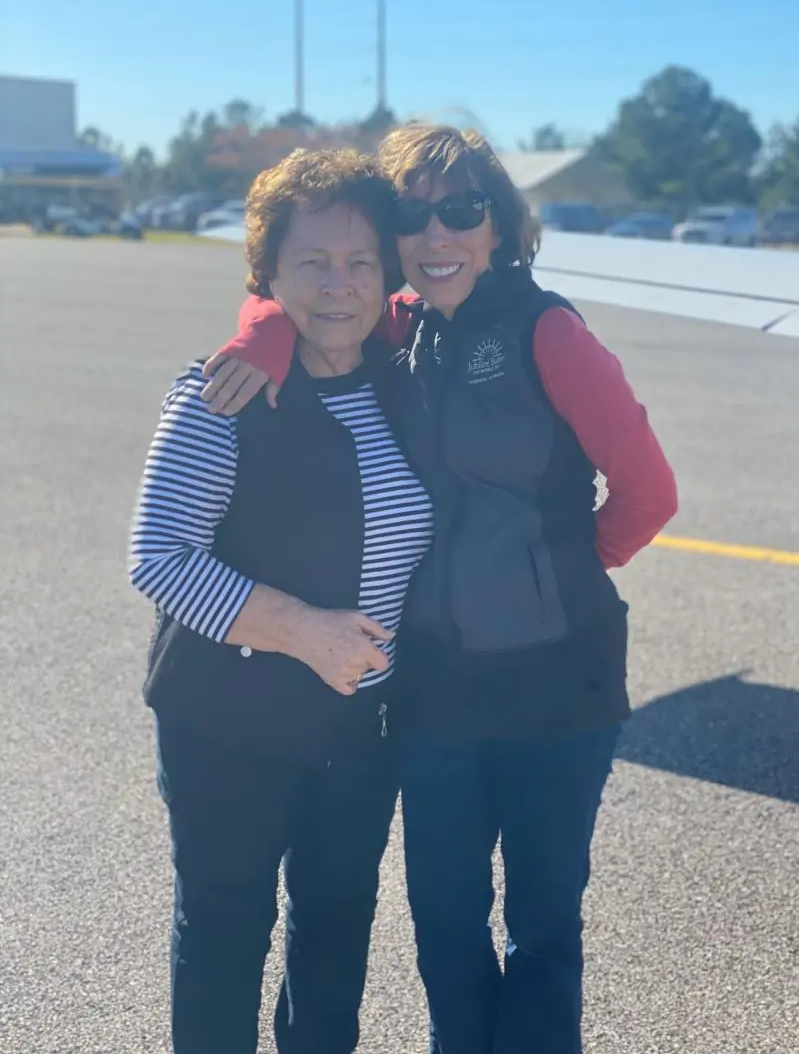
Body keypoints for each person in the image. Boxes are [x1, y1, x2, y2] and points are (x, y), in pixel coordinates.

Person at [200, 124, 678, 1054]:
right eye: (412, 216)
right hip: (437, 697)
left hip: (559, 691)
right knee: (445, 929)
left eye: (460, 210)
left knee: (542, 933)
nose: (436, 235)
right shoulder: (397, 328)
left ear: (499, 224)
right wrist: (256, 334)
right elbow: (302, 303)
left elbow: (650, 493)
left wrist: (563, 574)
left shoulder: (551, 332)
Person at [127, 147, 433, 1054]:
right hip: (230, 722)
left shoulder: (401, 377)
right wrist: (305, 631)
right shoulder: (224, 391)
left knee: (335, 935)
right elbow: (157, 557)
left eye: (359, 263)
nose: (338, 286)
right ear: (266, 275)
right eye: (311, 264)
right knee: (225, 932)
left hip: (360, 726)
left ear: (386, 275)